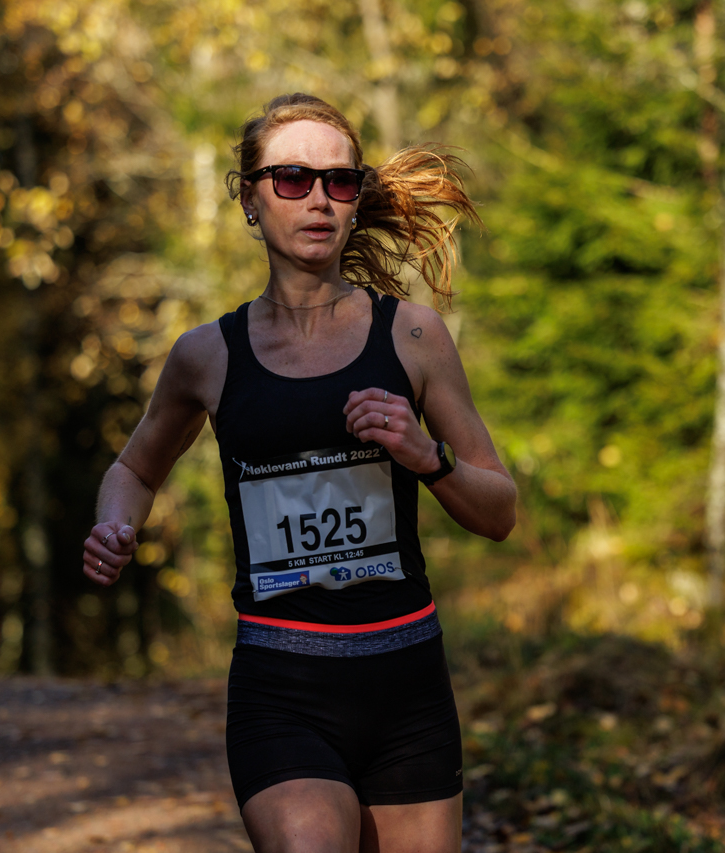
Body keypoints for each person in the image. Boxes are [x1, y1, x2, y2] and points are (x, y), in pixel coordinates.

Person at [80, 93, 516, 852]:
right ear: (250, 198)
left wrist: (427, 457)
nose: (318, 198)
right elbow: (135, 470)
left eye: (339, 181)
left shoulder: (413, 335)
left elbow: (500, 510)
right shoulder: (206, 356)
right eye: (292, 178)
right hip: (282, 690)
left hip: (408, 686)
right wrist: (116, 524)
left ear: (356, 199)